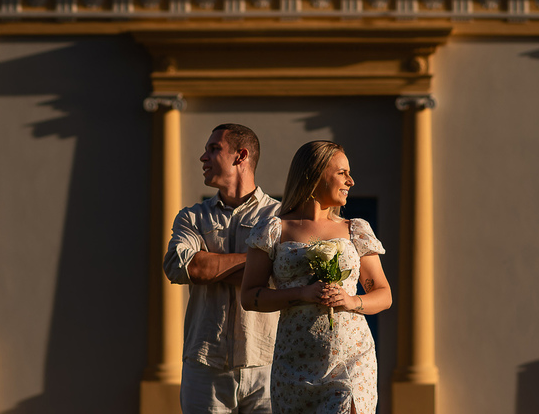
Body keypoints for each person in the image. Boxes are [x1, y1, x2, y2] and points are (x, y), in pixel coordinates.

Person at [240, 140, 392, 414]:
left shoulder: (355, 229)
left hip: (351, 361)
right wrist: (299, 294)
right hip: (294, 363)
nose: (351, 181)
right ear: (315, 173)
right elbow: (250, 296)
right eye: (342, 173)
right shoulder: (274, 229)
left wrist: (350, 301)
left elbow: (383, 294)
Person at [164, 123, 282, 414]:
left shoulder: (280, 217)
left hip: (266, 365)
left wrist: (210, 261)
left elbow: (283, 275)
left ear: (240, 156)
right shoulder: (192, 218)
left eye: (213, 149)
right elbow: (183, 268)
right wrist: (258, 263)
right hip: (205, 366)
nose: (203, 158)